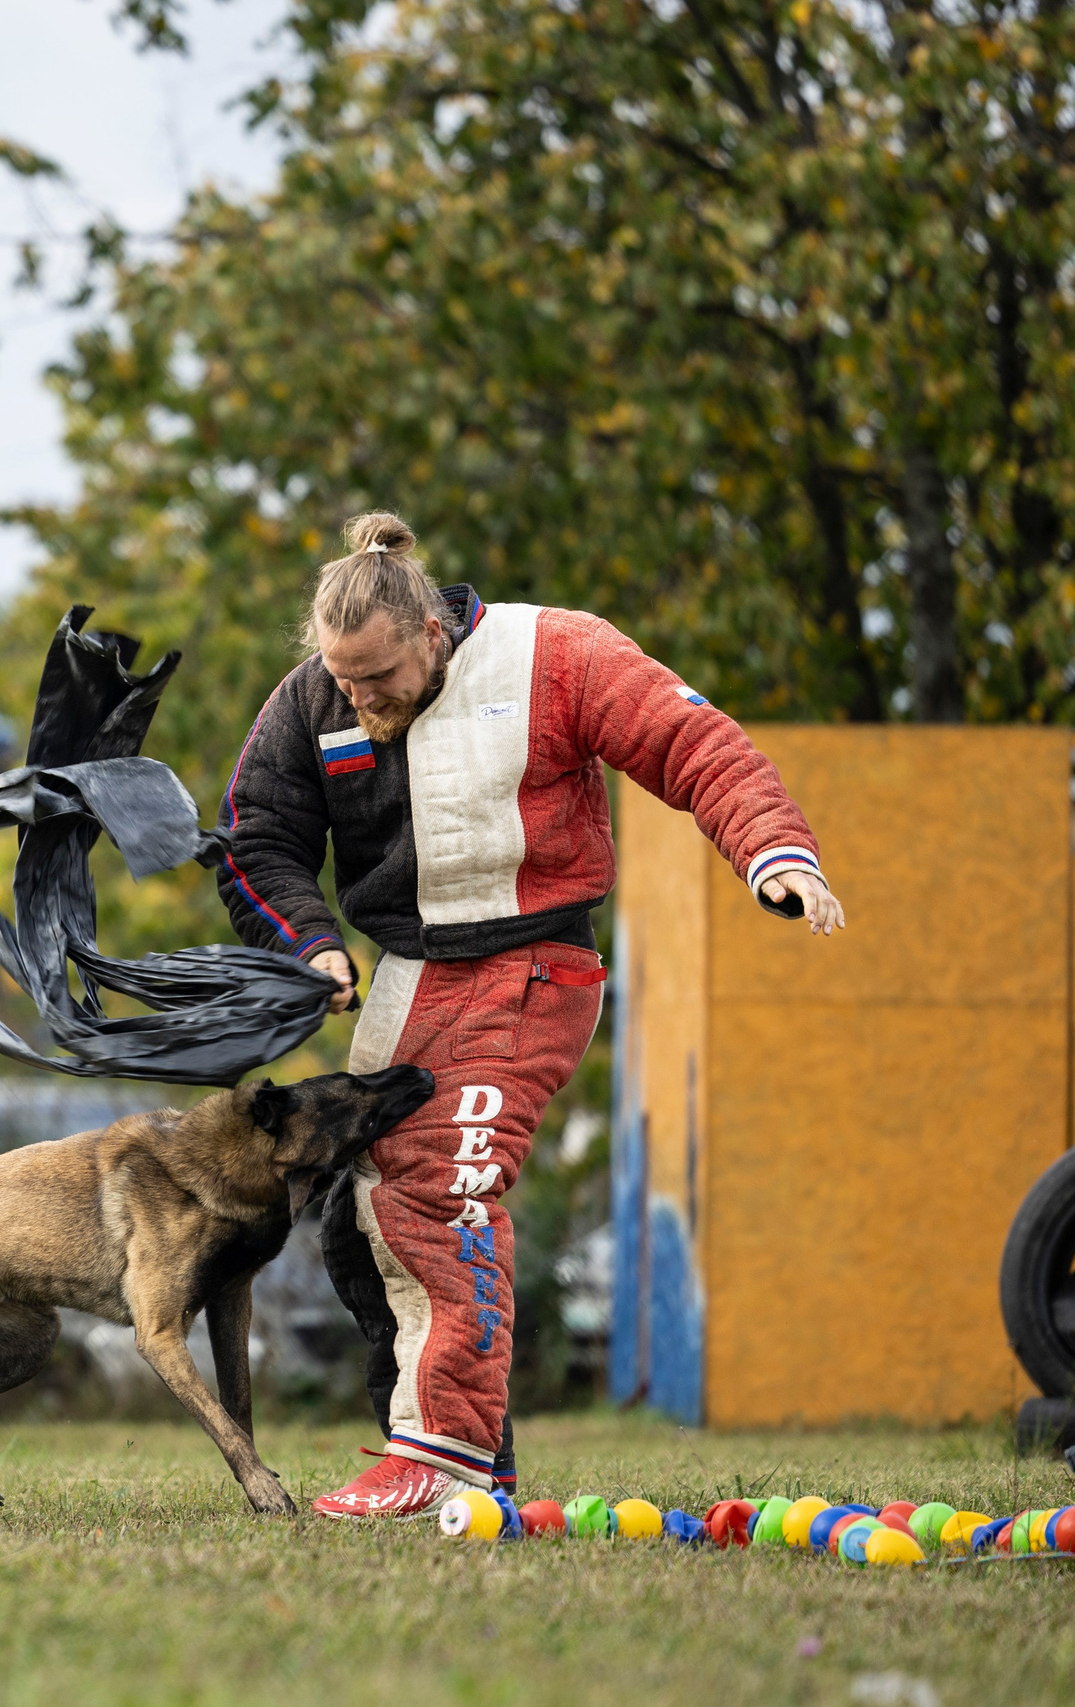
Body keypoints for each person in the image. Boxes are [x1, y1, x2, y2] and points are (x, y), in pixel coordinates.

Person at [216, 512, 845, 1520]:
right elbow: (253, 839)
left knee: (434, 1193)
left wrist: (774, 853)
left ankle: (444, 1459)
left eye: (376, 676)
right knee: (353, 1221)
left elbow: (696, 745)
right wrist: (309, 941)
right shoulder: (310, 702)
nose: (358, 698)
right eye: (341, 677)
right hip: (409, 979)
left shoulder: (557, 654)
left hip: (532, 970)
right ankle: (459, 1462)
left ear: (429, 632)